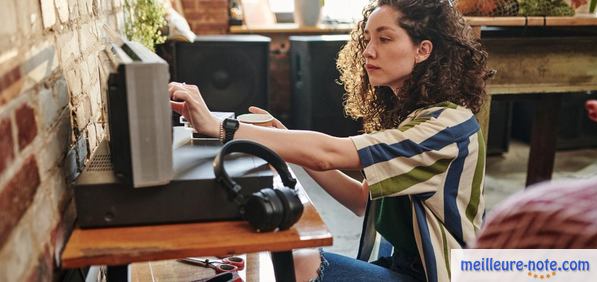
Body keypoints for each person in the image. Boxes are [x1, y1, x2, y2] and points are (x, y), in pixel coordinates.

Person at [169, 0, 493, 281]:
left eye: (385, 38)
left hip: (437, 275)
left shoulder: (445, 128)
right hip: (402, 266)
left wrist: (220, 126)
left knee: (296, 262)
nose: (368, 51)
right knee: (287, 256)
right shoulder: (412, 117)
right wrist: (285, 142)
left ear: (423, 50)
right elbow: (362, 200)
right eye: (367, 39)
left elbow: (328, 153)